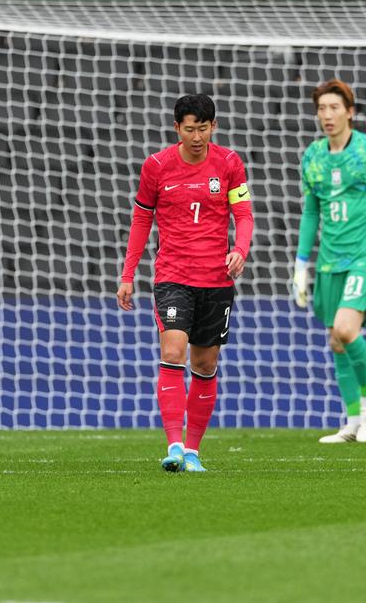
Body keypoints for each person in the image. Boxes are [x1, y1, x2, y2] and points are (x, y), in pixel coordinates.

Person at [117, 94, 254, 473]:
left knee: (206, 364)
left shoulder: (229, 163)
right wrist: (128, 275)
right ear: (177, 128)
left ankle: (193, 452)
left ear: (214, 126)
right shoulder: (157, 166)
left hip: (216, 280)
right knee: (173, 351)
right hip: (173, 276)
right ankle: (174, 445)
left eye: (203, 129)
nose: (196, 137)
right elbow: (141, 220)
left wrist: (240, 249)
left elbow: (243, 214)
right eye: (189, 129)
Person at [290, 79, 366, 445]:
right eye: (321, 108)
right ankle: (353, 421)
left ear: (349, 112)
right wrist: (301, 263)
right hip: (329, 260)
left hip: (364, 256)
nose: (327, 115)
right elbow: (311, 211)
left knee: (345, 328)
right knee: (336, 341)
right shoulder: (313, 156)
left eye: (334, 108)